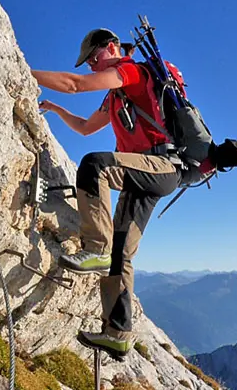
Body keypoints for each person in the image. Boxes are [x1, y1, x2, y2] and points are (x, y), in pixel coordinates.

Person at [30, 28, 185, 360]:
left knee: (95, 166)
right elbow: (86, 128)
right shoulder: (115, 97)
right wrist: (56, 109)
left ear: (113, 47)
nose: (91, 66)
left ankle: (94, 248)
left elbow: (76, 85)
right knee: (121, 253)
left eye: (94, 57)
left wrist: (23, 70)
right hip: (145, 173)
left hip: (161, 164)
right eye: (88, 62)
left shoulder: (131, 71)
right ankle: (117, 334)